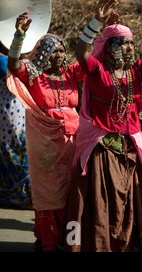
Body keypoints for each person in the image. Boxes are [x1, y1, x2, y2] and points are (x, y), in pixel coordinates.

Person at [61, 0, 142, 252]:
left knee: (134, 199)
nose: (130, 48)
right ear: (110, 47)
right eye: (124, 43)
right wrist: (97, 20)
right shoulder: (97, 70)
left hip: (130, 144)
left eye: (132, 43)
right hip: (101, 147)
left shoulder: (137, 71)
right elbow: (81, 52)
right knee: (100, 203)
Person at [6, 13, 84, 251]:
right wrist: (19, 37)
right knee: (52, 194)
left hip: (73, 141)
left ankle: (71, 241)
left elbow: (92, 60)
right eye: (53, 51)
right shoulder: (34, 75)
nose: (58, 55)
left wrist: (98, 26)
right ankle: (50, 240)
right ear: (43, 54)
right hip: (46, 146)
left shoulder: (71, 73)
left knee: (73, 190)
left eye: (61, 50)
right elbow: (13, 64)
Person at [0, 52, 30, 208]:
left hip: (15, 110)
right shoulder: (2, 60)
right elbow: (12, 74)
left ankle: (15, 193)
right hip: (10, 112)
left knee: (17, 149)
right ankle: (19, 194)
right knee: (16, 149)